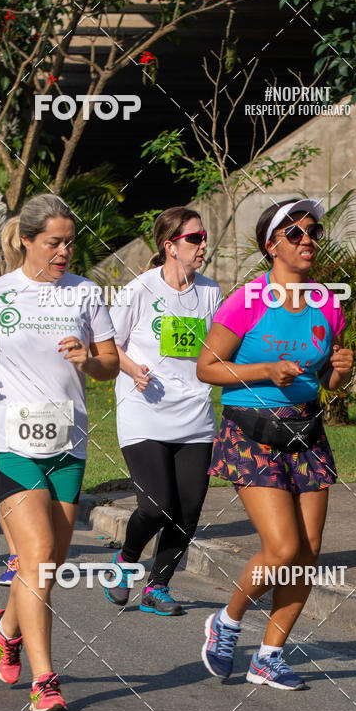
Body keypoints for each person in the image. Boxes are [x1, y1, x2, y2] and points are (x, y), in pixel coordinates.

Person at [0, 194, 119, 711]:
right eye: (53, 242)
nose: (64, 251)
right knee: (38, 553)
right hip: (5, 440)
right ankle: (46, 681)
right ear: (26, 240)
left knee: (50, 561)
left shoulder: (85, 294)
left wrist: (90, 359)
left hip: (67, 442)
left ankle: (5, 627)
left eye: (70, 242)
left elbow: (109, 362)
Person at [197, 198, 353, 690]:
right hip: (251, 431)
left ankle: (269, 655)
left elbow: (322, 377)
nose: (307, 240)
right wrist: (265, 370)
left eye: (313, 233)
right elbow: (207, 368)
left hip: (305, 430)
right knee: (282, 548)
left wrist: (335, 373)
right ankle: (226, 620)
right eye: (295, 234)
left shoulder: (328, 303)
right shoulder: (247, 301)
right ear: (271, 246)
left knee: (307, 552)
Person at [106, 207, 222, 615]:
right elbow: (106, 344)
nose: (202, 244)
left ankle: (158, 586)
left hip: (194, 415)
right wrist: (130, 367)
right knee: (156, 506)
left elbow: (217, 349)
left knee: (188, 510)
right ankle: (126, 560)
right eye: (195, 238)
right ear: (170, 246)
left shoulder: (210, 292)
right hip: (144, 411)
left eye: (203, 236)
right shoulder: (139, 290)